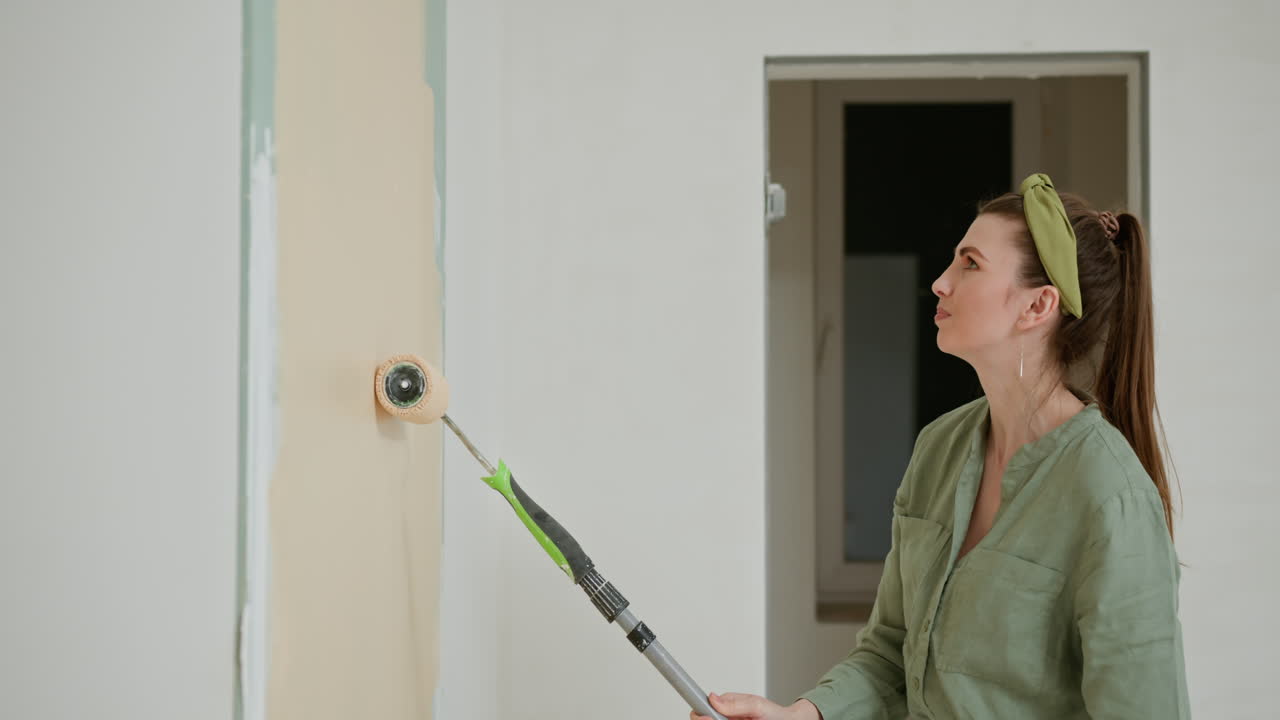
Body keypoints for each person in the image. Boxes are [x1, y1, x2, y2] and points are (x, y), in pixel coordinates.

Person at [691, 173, 1190, 720]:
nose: (940, 282)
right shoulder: (940, 448)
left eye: (970, 264)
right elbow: (889, 654)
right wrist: (801, 715)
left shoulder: (1111, 496)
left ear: (1037, 305)